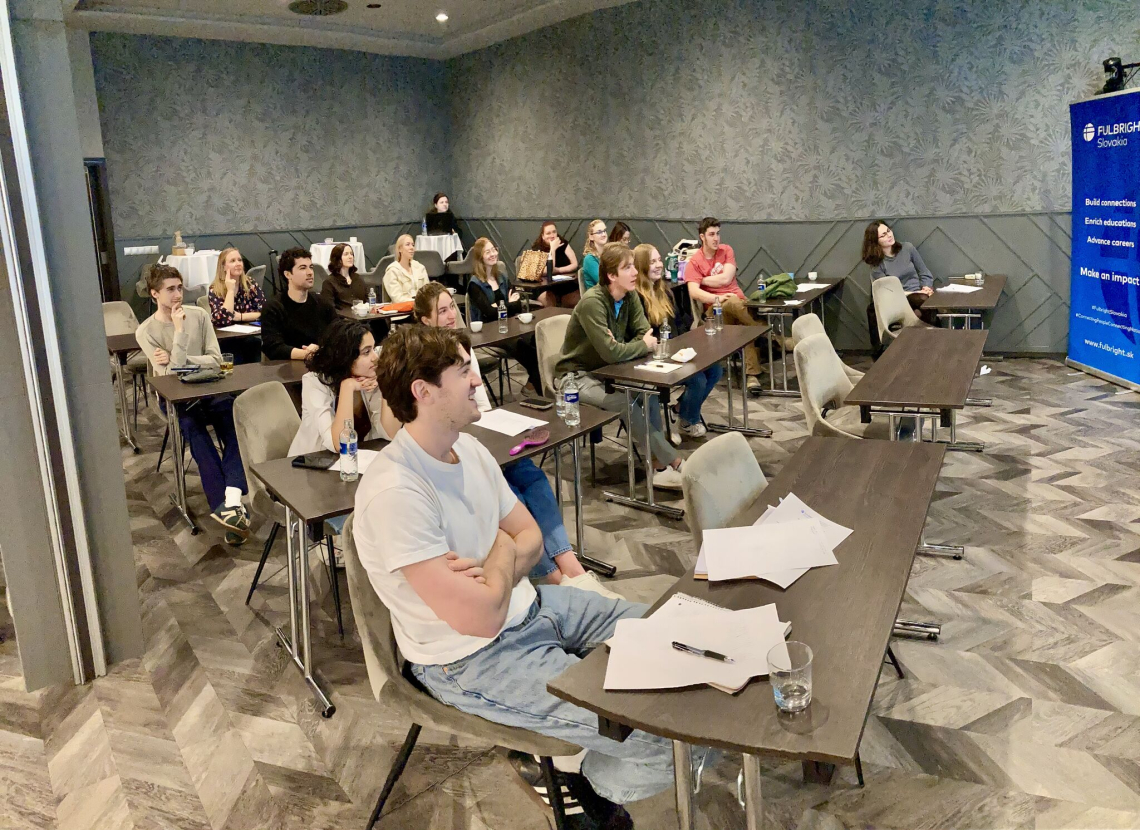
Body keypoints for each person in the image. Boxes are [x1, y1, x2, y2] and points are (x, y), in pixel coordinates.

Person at [357, 324, 692, 829]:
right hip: (470, 661)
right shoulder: (395, 493)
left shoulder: (467, 449)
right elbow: (481, 619)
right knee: (663, 736)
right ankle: (577, 781)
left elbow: (531, 536)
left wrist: (495, 565)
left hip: (535, 606)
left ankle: (568, 764)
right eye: (462, 370)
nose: (477, 379)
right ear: (422, 392)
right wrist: (501, 550)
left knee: (679, 641)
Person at [410, 282, 618, 598]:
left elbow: (479, 402)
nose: (452, 314)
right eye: (442, 310)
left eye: (452, 306)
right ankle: (554, 580)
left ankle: (571, 566)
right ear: (425, 320)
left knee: (533, 478)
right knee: (507, 497)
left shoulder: (460, 344)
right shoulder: (424, 359)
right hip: (455, 446)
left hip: (485, 432)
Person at [136, 264, 250, 543]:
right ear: (154, 294)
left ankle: (232, 499)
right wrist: (178, 331)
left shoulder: (199, 315)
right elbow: (169, 376)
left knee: (236, 423)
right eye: (170, 289)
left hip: (211, 387)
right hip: (174, 398)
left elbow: (215, 358)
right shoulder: (145, 331)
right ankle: (224, 508)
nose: (177, 294)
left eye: (179, 287)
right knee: (198, 436)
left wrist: (179, 359)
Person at [557, 243, 685, 490]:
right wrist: (627, 346)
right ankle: (676, 462)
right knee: (626, 403)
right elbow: (612, 351)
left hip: (608, 372)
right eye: (628, 268)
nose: (635, 273)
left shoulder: (630, 296)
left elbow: (643, 335)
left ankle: (658, 466)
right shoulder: (592, 303)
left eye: (634, 267)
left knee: (647, 393)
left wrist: (623, 345)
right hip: (575, 377)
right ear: (611, 275)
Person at [634, 244, 722, 438]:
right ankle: (688, 420)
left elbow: (682, 321)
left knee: (715, 370)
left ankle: (683, 407)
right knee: (697, 379)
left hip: (678, 348)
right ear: (641, 266)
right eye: (652, 262)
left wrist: (687, 343)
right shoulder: (637, 298)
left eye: (659, 260)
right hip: (657, 354)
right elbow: (644, 333)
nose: (658, 265)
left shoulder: (665, 291)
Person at [684, 217, 767, 394]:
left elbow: (726, 278)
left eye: (718, 234)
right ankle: (768, 335)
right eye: (711, 234)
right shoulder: (695, 262)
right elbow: (694, 292)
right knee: (731, 303)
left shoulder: (726, 250)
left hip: (739, 305)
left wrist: (702, 279)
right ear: (702, 237)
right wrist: (717, 298)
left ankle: (752, 376)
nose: (716, 238)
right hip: (715, 312)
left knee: (740, 324)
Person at [465, 237, 542, 393]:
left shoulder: (502, 277)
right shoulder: (474, 284)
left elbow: (518, 303)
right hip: (490, 333)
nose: (493, 254)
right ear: (480, 257)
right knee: (531, 354)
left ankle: (532, 385)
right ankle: (537, 391)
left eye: (494, 249)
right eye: (488, 251)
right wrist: (508, 304)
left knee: (538, 341)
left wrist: (501, 306)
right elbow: (489, 313)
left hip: (509, 326)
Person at [261, 247, 337, 361]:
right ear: (288, 274)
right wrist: (307, 354)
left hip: (321, 365)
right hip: (285, 369)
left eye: (311, 267)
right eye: (302, 268)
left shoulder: (323, 304)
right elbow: (273, 347)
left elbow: (338, 335)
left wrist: (319, 349)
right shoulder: (274, 307)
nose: (310, 272)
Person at [862, 220, 936, 328]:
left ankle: (919, 339)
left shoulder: (907, 248)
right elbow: (886, 292)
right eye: (883, 235)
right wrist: (915, 294)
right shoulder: (876, 264)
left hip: (919, 294)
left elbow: (925, 273)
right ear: (875, 241)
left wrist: (926, 288)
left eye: (888, 231)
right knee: (924, 302)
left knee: (922, 307)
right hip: (897, 300)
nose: (889, 235)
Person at [208, 246, 265, 327]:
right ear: (223, 267)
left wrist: (241, 317)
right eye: (232, 261)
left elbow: (265, 312)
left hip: (249, 333)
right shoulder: (215, 289)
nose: (238, 264)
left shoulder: (250, 283)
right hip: (224, 336)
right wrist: (230, 290)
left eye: (239, 260)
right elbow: (223, 319)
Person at [532, 220, 579, 308]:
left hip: (565, 284)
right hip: (545, 287)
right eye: (548, 233)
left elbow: (574, 264)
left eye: (554, 232)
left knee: (578, 299)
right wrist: (552, 249)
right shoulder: (537, 249)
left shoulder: (563, 243)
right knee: (551, 304)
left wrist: (558, 270)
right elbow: (547, 270)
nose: (552, 235)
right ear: (543, 236)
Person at [319, 243, 369, 310]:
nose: (350, 257)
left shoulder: (358, 278)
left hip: (363, 316)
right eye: (346, 254)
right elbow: (329, 310)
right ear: (338, 259)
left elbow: (368, 300)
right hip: (343, 319)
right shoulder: (329, 282)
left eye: (351, 254)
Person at [383, 234, 430, 303]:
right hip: (402, 311)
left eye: (413, 245)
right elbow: (397, 298)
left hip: (422, 309)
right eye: (408, 245)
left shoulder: (420, 268)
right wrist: (417, 302)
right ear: (400, 249)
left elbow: (428, 293)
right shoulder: (392, 271)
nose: (411, 248)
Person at [580, 219, 607, 291]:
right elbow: (603, 282)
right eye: (599, 232)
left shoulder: (608, 254)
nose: (604, 234)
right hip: (598, 298)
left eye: (604, 231)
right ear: (591, 237)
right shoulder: (589, 259)